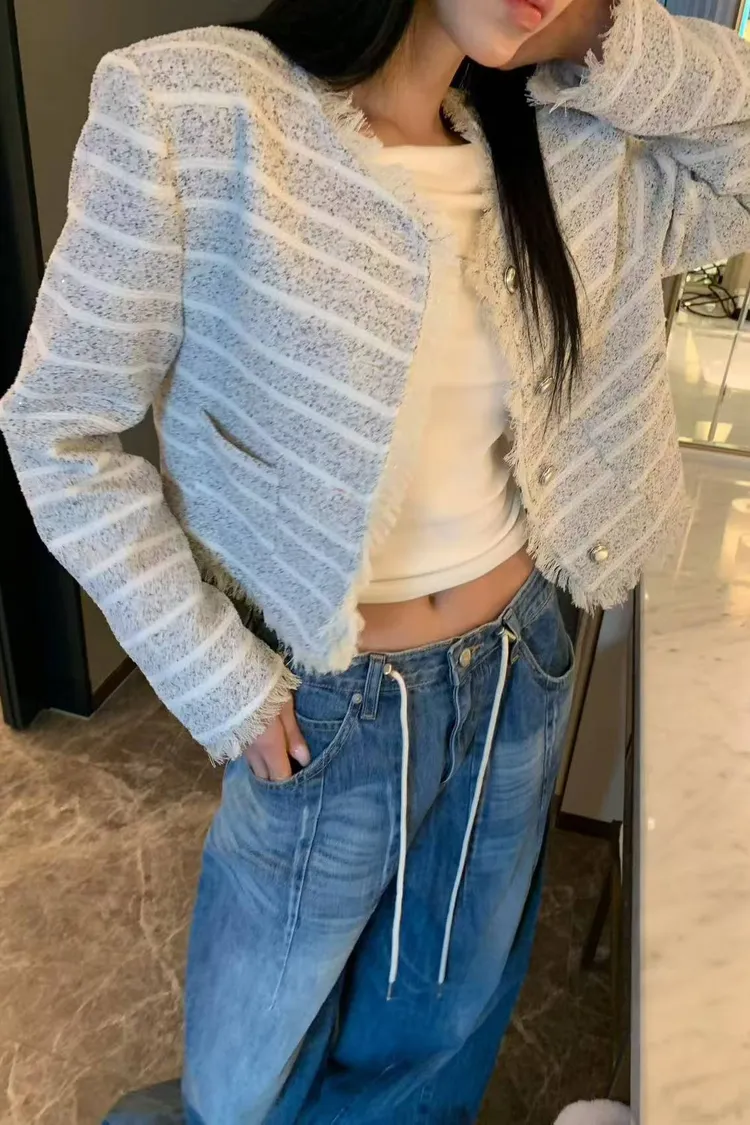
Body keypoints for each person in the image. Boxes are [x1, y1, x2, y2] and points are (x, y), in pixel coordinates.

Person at [2, 0, 749, 1119]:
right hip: (323, 699)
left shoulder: (571, 138)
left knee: (441, 1028)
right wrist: (221, 681)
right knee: (257, 1048)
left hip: (521, 672)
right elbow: (58, 430)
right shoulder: (193, 106)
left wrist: (605, 38)